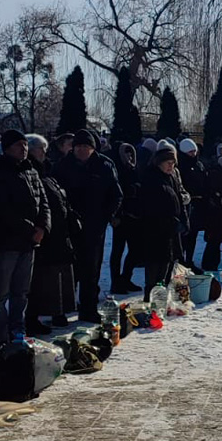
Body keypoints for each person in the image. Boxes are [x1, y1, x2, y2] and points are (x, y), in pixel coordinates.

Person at [0, 130, 51, 352]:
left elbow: (43, 202)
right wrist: (29, 229)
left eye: (25, 144)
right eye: (18, 145)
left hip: (29, 242)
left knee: (21, 292)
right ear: (7, 148)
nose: (23, 148)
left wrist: (43, 226)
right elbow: (1, 208)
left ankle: (18, 332)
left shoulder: (31, 169)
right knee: (0, 294)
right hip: (6, 241)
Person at [54, 129, 122, 323]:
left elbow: (116, 194)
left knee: (91, 270)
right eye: (79, 146)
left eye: (86, 146)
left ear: (93, 148)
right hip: (69, 226)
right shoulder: (63, 166)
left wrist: (106, 216)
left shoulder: (104, 165)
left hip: (95, 225)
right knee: (68, 270)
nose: (82, 150)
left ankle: (88, 308)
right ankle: (62, 310)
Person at [25, 136, 77, 334]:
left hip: (58, 231)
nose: (44, 152)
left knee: (57, 274)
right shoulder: (32, 171)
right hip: (44, 233)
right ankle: (34, 317)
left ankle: (57, 311)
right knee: (40, 278)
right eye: (41, 149)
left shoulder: (47, 170)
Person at [136, 142, 187, 293]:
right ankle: (151, 296)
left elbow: (178, 198)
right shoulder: (151, 177)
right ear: (159, 162)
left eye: (173, 163)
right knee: (155, 266)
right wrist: (168, 220)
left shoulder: (171, 177)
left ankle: (161, 295)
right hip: (155, 230)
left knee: (168, 263)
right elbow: (149, 205)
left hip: (171, 231)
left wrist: (183, 220)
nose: (171, 166)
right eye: (168, 163)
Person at [108, 142, 141, 293]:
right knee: (118, 250)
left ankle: (126, 278)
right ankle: (116, 282)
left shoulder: (135, 169)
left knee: (135, 250)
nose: (129, 157)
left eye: (131, 154)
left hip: (135, 215)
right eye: (126, 154)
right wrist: (114, 214)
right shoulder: (116, 170)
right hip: (121, 216)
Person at [177, 138, 208, 268]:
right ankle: (180, 261)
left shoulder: (199, 165)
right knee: (184, 235)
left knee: (193, 234)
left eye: (194, 151)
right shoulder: (180, 166)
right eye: (190, 152)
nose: (193, 154)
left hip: (198, 203)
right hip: (185, 203)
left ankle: (189, 260)